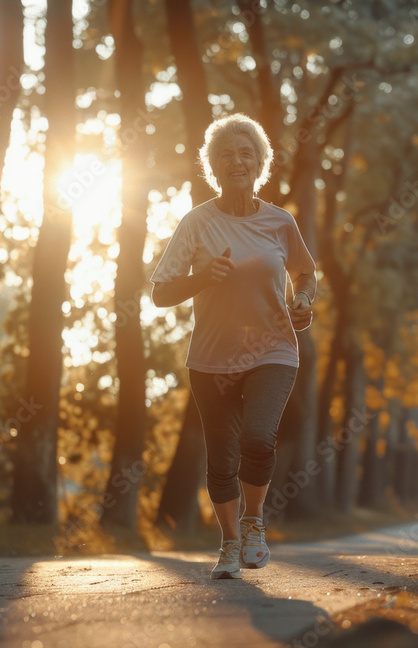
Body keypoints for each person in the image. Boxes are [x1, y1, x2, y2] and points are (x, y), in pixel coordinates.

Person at [150, 114, 316, 579]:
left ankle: (253, 523)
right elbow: (160, 292)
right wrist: (202, 278)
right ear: (213, 167)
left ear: (260, 163)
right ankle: (227, 544)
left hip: (273, 349)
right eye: (225, 154)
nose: (236, 160)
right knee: (221, 455)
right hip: (212, 359)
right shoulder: (197, 223)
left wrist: (303, 300)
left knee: (258, 438)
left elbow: (305, 273)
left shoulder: (280, 222)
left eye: (246, 153)